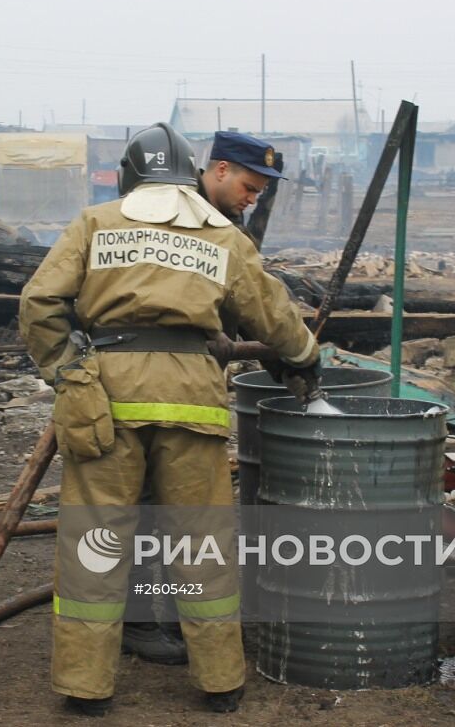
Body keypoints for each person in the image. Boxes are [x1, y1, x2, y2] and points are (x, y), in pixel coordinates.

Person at [20, 123, 320, 717]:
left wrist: (70, 374)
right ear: (192, 174)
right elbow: (272, 311)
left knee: (95, 544)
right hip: (190, 401)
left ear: (131, 177)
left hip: (105, 401)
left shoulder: (95, 223)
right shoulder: (220, 235)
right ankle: (220, 682)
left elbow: (39, 304)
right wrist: (304, 359)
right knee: (202, 543)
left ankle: (85, 688)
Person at [121, 130, 284, 664]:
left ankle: (159, 613)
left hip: (168, 379)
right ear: (217, 171)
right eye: (247, 185)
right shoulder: (163, 207)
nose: (251, 198)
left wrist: (268, 354)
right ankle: (139, 622)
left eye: (259, 192)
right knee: (146, 508)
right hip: (139, 378)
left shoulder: (224, 225)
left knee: (172, 513)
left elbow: (238, 303)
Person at [197, 130, 284, 230]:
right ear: (222, 170)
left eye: (257, 193)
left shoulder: (231, 212)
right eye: (249, 188)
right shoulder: (178, 204)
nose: (252, 200)